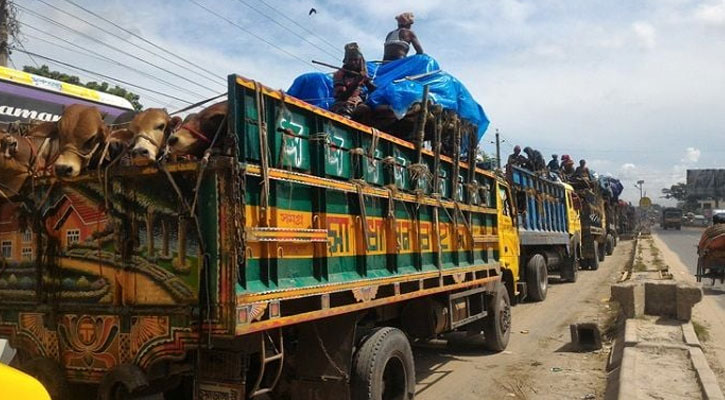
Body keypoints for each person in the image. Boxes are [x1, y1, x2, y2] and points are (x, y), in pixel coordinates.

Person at [330, 43, 375, 119]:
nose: (353, 62)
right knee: (344, 111)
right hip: (343, 105)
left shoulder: (362, 74)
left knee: (368, 110)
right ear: (346, 60)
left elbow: (373, 90)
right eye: (350, 60)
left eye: (356, 60)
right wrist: (356, 82)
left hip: (359, 104)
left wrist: (367, 81)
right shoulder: (339, 74)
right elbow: (342, 97)